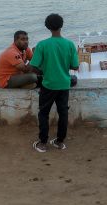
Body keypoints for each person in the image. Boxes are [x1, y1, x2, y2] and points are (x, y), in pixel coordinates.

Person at [30, 14, 79, 153]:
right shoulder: (69, 44)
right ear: (61, 26)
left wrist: (46, 67)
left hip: (49, 84)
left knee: (43, 113)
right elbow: (75, 66)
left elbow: (34, 67)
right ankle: (59, 141)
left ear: (47, 27)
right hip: (64, 84)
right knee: (63, 112)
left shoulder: (42, 45)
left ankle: (43, 143)